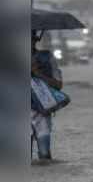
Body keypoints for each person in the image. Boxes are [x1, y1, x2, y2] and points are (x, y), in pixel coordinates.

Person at [31, 30, 63, 161]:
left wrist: (38, 73)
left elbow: (58, 85)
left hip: (42, 114)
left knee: (45, 156)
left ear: (35, 40)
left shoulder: (47, 58)